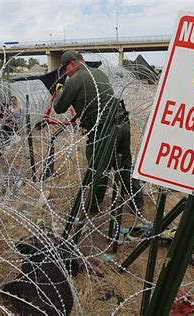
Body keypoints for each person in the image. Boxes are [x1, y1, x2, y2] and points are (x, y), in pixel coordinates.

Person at [53, 50, 144, 213]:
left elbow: (59, 108)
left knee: (98, 168)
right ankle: (138, 203)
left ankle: (93, 206)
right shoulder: (98, 73)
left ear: (72, 64)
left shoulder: (74, 80)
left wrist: (60, 91)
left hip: (104, 129)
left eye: (66, 69)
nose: (66, 73)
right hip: (122, 123)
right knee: (124, 166)